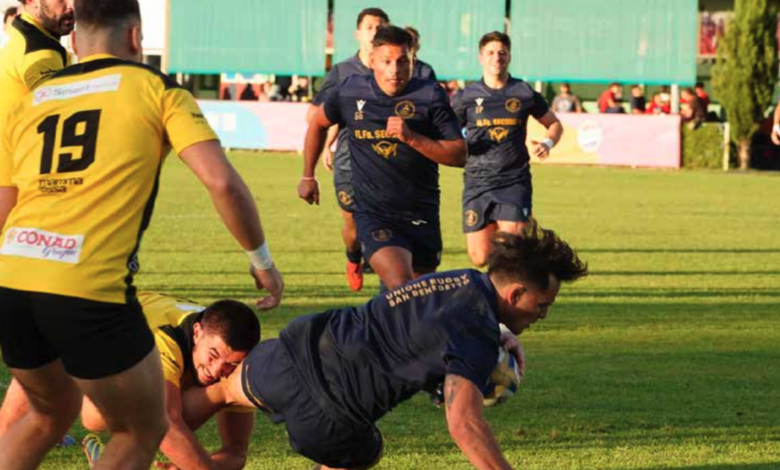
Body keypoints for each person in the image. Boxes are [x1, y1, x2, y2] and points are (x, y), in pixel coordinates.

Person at [0, 1, 283, 469]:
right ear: (136, 39)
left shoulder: (35, 98)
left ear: (75, 42)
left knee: (51, 414)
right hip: (86, 285)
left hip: (14, 278)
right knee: (145, 427)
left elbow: (6, 200)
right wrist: (262, 261)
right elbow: (221, 181)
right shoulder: (156, 89)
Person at [183, 226, 589, 470]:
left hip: (298, 350)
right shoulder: (476, 335)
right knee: (367, 449)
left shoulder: (461, 280)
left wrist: (497, 333)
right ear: (517, 293)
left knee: (218, 392)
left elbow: (436, 323)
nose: (543, 315)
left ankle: (147, 436)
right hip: (329, 420)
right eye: (543, 305)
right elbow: (464, 423)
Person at [0, 292, 259, 470]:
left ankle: (113, 455)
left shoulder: (236, 364)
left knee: (216, 391)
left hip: (115, 345)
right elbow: (167, 425)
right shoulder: (165, 340)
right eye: (213, 356)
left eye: (231, 365)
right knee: (89, 416)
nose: (217, 369)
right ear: (197, 332)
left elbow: (236, 452)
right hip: (78, 322)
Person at [300, 26, 466, 291]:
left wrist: (412, 138)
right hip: (374, 213)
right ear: (373, 60)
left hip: (421, 213)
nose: (394, 70)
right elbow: (318, 123)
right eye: (386, 61)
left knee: (418, 294)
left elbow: (459, 154)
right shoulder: (350, 91)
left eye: (402, 61)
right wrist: (308, 176)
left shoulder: (430, 95)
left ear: (413, 59)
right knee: (402, 286)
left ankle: (380, 329)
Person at [452, 31, 563, 267]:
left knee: (512, 251)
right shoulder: (466, 96)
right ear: (481, 58)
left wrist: (547, 143)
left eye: (502, 52)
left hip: (513, 180)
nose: (496, 58)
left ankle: (505, 299)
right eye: (490, 53)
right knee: (480, 258)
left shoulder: (523, 92)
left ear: (509, 56)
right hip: (477, 181)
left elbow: (554, 124)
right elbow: (447, 132)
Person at [306, 7, 390, 292]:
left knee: (386, 224)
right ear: (358, 33)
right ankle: (354, 257)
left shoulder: (395, 71)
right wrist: (327, 143)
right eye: (369, 26)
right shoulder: (342, 71)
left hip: (387, 163)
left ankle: (387, 282)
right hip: (349, 163)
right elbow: (317, 115)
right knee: (353, 228)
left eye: (380, 26)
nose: (375, 31)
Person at [0, 0, 74, 229]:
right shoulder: (38, 51)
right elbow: (61, 113)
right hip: (13, 184)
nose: (71, 5)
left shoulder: (27, 37)